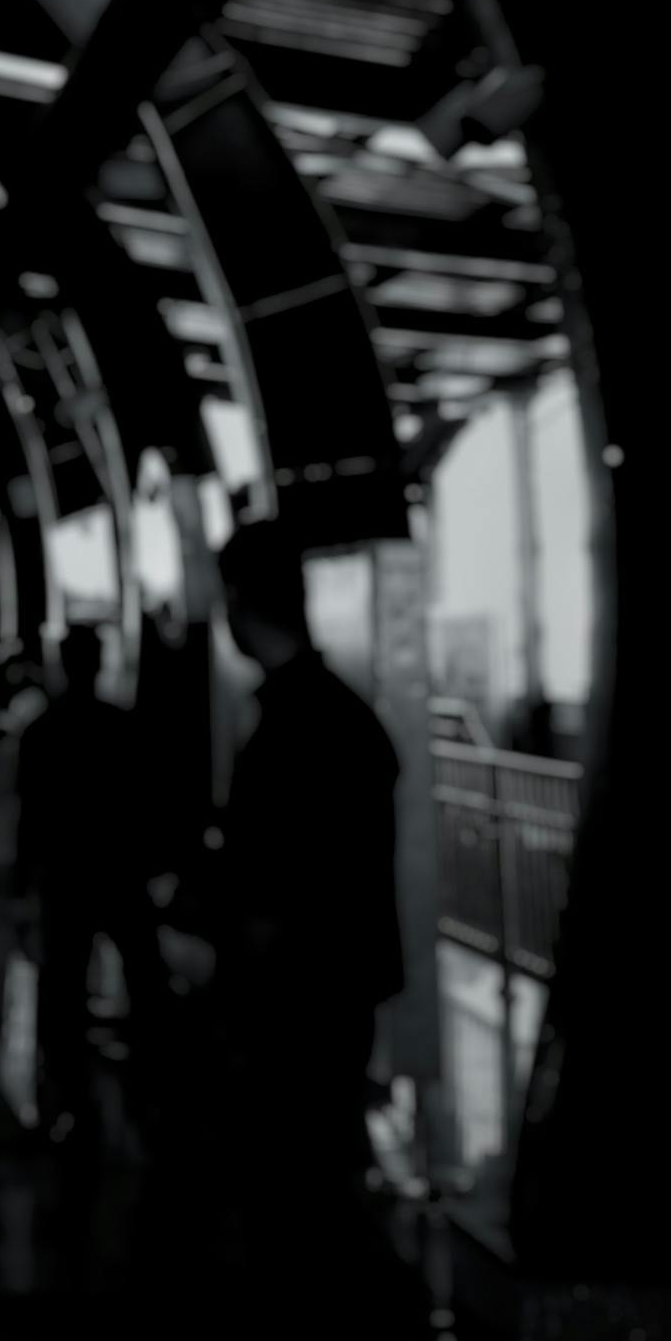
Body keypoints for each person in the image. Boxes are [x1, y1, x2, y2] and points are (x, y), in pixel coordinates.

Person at [208, 522, 403, 1270]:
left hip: (296, 993)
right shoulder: (344, 717)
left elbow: (277, 884)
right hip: (338, 981)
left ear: (237, 600)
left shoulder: (293, 729)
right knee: (319, 1171)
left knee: (293, 1184)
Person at [14, 625, 168, 1136]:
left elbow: (30, 816)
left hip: (66, 875)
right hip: (119, 872)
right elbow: (148, 804)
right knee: (146, 978)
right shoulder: (124, 727)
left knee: (63, 984)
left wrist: (23, 887)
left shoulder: (41, 732)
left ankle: (65, 1088)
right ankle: (152, 1076)